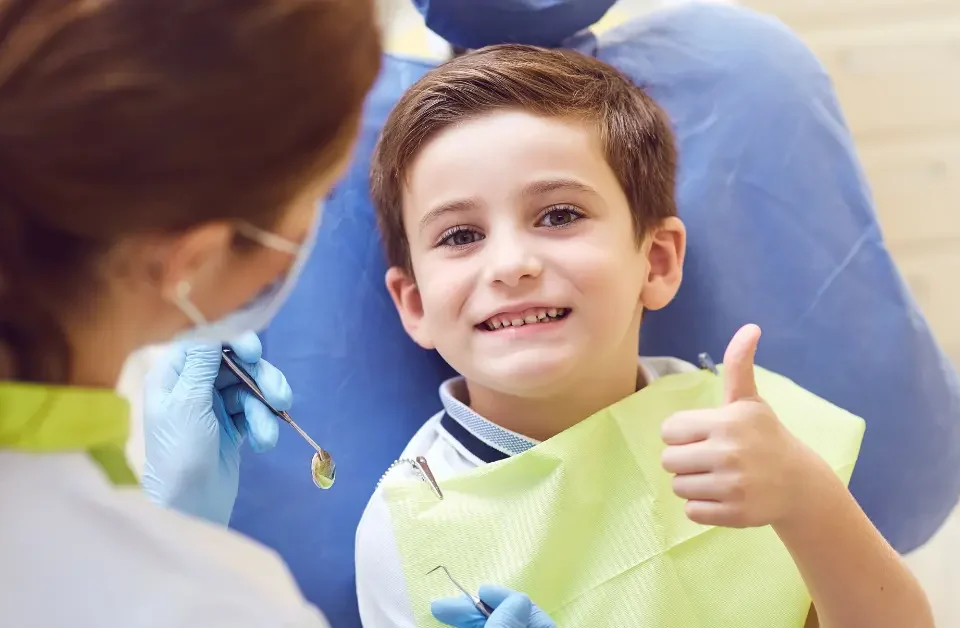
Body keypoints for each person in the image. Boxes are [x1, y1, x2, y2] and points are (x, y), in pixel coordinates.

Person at [0, 1, 548, 626]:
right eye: (321, 194)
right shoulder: (218, 605)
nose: (512, 266)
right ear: (193, 259)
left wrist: (168, 523)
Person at [354, 44, 935, 627]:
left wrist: (807, 499)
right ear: (415, 304)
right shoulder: (408, 531)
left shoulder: (753, 436)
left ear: (656, 262)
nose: (511, 264)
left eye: (559, 215)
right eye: (459, 236)